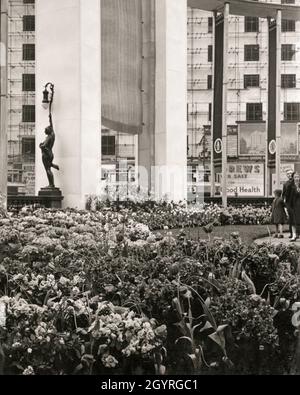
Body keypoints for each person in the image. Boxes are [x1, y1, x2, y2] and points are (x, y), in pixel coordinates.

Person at [39, 114, 59, 188]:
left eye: (45, 130)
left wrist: (40, 145)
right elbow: (52, 125)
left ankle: (51, 184)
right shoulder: (52, 135)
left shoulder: (48, 138)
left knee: (47, 169)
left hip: (46, 154)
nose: (44, 130)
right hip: (50, 154)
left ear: (47, 131)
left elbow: (43, 146)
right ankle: (53, 165)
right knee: (48, 167)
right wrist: (50, 118)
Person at [282, 169, 295, 238]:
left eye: (291, 173)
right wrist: (284, 204)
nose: (290, 175)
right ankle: (292, 233)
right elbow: (283, 194)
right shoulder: (285, 184)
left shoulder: (296, 182)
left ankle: (297, 233)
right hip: (289, 203)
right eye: (288, 174)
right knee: (291, 219)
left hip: (296, 203)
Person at [290, 172, 300, 242]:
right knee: (293, 221)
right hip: (294, 205)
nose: (297, 178)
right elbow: (288, 197)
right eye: (295, 177)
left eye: (298, 177)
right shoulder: (291, 186)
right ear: (293, 178)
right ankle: (294, 235)